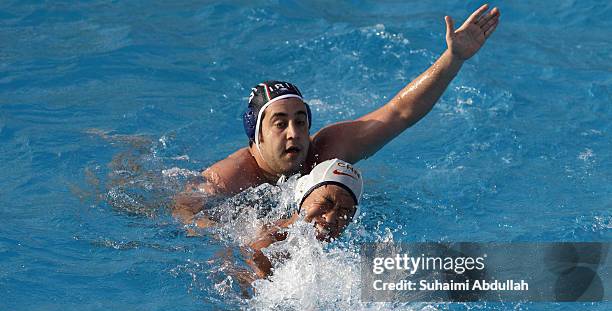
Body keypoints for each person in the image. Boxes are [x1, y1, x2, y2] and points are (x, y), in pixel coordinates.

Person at [173, 4, 500, 226]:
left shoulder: (325, 150)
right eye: (280, 123)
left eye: (300, 121)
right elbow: (184, 213)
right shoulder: (229, 179)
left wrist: (453, 59)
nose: (294, 133)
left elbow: (399, 112)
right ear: (256, 136)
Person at [245, 159, 363, 279]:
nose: (330, 219)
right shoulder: (267, 250)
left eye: (344, 212)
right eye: (326, 203)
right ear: (302, 194)